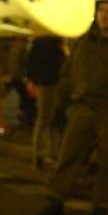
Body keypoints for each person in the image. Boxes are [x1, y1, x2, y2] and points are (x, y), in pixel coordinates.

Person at [31, 0, 108, 215]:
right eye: (101, 10)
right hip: (82, 106)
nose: (105, 16)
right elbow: (68, 74)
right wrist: (60, 107)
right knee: (69, 155)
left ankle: (100, 208)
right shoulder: (84, 42)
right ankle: (56, 202)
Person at [26, 34, 68, 169]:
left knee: (53, 117)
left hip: (57, 82)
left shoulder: (58, 40)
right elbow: (33, 62)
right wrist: (32, 81)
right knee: (44, 117)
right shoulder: (42, 40)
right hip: (46, 82)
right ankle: (38, 153)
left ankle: (51, 152)